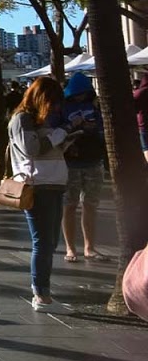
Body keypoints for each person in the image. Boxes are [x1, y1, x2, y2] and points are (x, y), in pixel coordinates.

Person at [9, 75, 74, 311]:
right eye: (53, 101)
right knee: (43, 242)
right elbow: (32, 150)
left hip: (51, 183)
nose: (55, 107)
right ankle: (41, 295)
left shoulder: (33, 120)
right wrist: (61, 134)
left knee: (49, 241)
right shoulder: (22, 119)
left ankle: (44, 293)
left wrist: (64, 138)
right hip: (39, 186)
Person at [60, 73, 108, 263]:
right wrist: (73, 126)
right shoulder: (64, 108)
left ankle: (90, 246)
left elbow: (103, 128)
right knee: (69, 205)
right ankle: (71, 248)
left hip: (93, 160)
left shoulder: (94, 107)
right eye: (77, 93)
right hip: (72, 162)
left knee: (91, 205)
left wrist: (92, 127)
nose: (80, 97)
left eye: (83, 93)